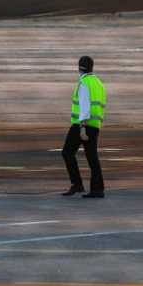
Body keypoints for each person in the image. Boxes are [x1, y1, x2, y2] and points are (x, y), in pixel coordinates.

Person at [62, 55, 107, 198]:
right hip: (95, 125)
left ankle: (77, 184)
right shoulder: (98, 83)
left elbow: (85, 107)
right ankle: (97, 189)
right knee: (92, 157)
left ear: (79, 68)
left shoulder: (84, 83)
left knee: (67, 153)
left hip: (82, 125)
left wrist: (82, 128)